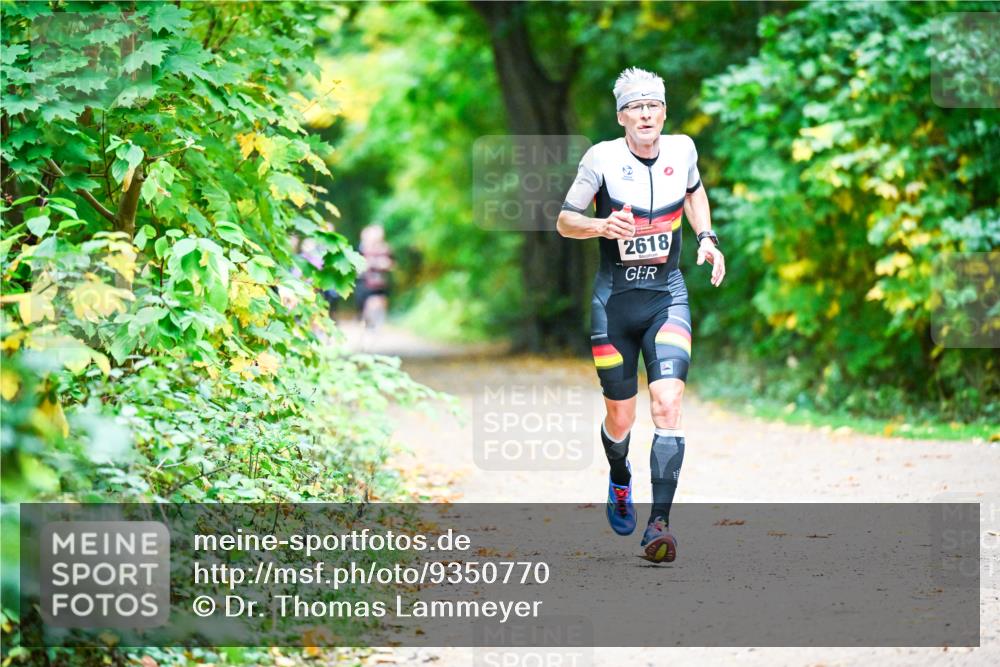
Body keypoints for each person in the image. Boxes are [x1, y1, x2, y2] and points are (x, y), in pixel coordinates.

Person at [556, 67, 725, 563]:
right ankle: (620, 476)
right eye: (635, 106)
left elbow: (694, 191)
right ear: (621, 116)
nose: (645, 114)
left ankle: (660, 525)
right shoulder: (601, 159)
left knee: (668, 403)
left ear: (665, 112)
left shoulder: (684, 150)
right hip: (614, 305)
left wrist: (707, 238)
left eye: (653, 105)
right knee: (621, 417)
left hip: (666, 296)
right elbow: (565, 221)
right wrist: (600, 225)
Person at [356, 224, 394, 331]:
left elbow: (392, 263)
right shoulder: (362, 248)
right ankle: (369, 323)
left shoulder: (385, 248)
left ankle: (377, 322)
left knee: (380, 301)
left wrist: (385, 264)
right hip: (366, 281)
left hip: (380, 281)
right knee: (370, 303)